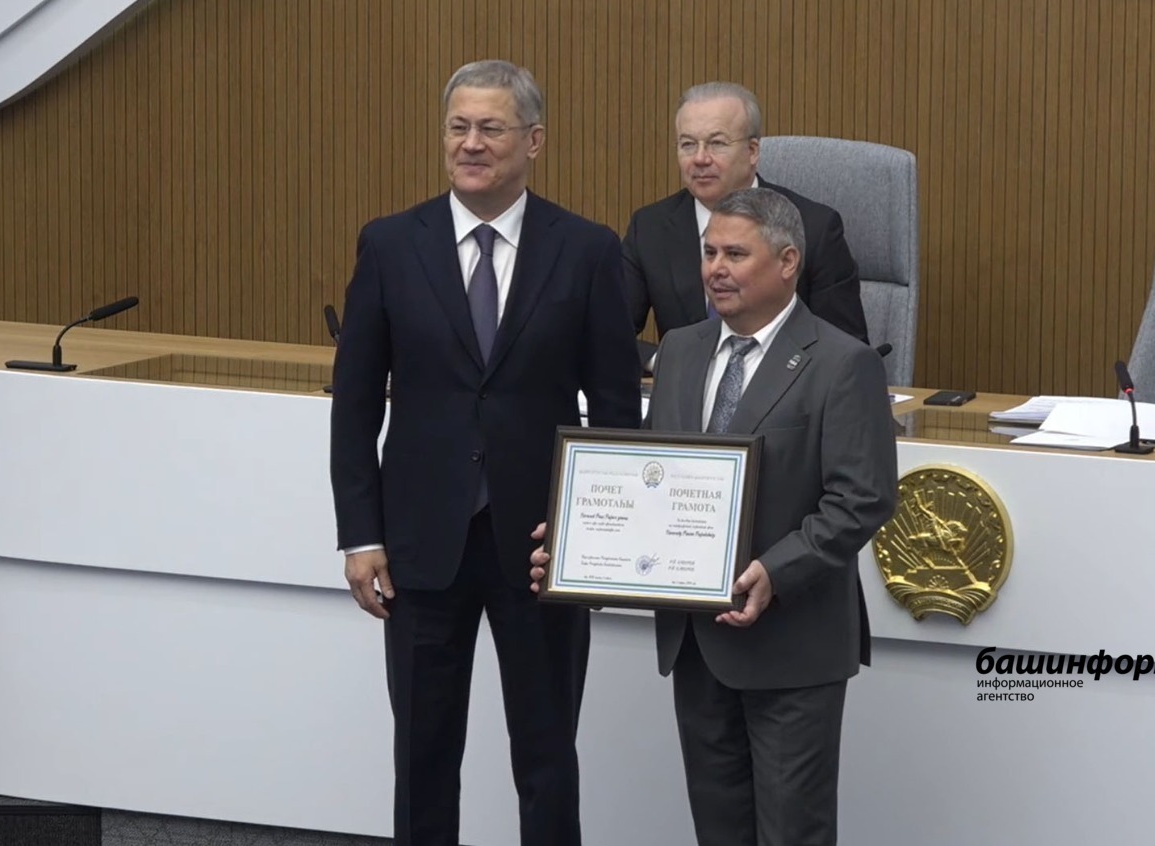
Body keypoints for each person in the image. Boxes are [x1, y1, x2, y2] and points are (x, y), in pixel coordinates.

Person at [329, 59, 642, 846]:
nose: (470, 144)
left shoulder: (587, 251)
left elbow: (614, 412)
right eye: (458, 127)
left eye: (490, 128)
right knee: (423, 754)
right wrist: (360, 535)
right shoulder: (391, 245)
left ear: (533, 141)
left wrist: (590, 539)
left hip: (539, 549)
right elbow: (355, 406)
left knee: (547, 755)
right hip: (419, 546)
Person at [533, 187, 898, 846]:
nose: (715, 270)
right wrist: (578, 548)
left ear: (788, 263)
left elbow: (862, 498)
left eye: (735, 254)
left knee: (791, 832)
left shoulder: (844, 363)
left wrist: (776, 571)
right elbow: (652, 480)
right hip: (697, 642)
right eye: (709, 254)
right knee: (718, 830)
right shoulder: (680, 349)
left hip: (791, 645)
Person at [621, 81, 868, 369]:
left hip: (783, 390)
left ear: (752, 151)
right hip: (687, 395)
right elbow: (606, 331)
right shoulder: (651, 228)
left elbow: (845, 350)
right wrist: (668, 362)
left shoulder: (813, 228)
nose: (700, 158)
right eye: (688, 144)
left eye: (716, 143)